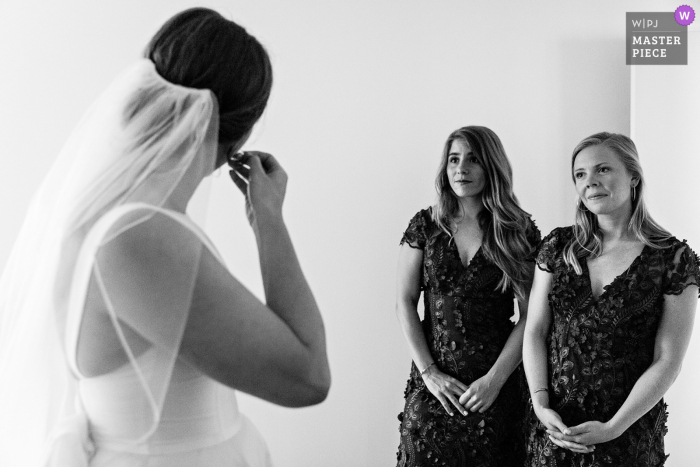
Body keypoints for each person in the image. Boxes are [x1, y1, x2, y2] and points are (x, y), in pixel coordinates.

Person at [0, 8, 330, 467]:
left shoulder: (98, 214)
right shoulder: (142, 236)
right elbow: (309, 377)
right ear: (240, 131)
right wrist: (268, 219)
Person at [523, 132, 699, 466]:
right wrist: (540, 405)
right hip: (555, 432)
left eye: (603, 169)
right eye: (580, 174)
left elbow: (667, 359)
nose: (590, 182)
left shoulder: (673, 259)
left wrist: (613, 427)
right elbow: (535, 331)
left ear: (633, 176)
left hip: (627, 436)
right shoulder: (558, 247)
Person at [395, 126, 540, 466]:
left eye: (473, 159)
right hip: (433, 387)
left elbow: (532, 315)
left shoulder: (517, 230)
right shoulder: (425, 225)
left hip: (495, 388)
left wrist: (495, 380)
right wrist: (429, 373)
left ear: (492, 166)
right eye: (454, 159)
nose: (461, 168)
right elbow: (404, 301)